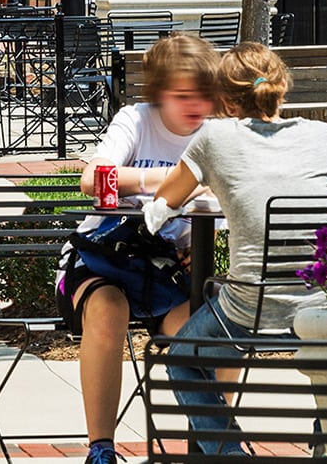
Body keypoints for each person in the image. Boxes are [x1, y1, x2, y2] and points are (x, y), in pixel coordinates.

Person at [145, 41, 327, 456]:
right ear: (281, 86)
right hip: (320, 302)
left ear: (226, 100)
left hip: (248, 305)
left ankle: (227, 452)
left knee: (180, 357)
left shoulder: (214, 137)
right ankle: (326, 446)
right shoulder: (324, 136)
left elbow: (168, 197)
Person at [65, 34, 221, 464]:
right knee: (108, 308)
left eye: (204, 95)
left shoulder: (216, 135)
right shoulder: (135, 119)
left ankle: (219, 445)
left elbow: (225, 203)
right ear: (159, 95)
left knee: (210, 329)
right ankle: (101, 449)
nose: (195, 105)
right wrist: (170, 181)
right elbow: (92, 180)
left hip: (165, 269)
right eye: (182, 95)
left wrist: (193, 243)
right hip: (102, 257)